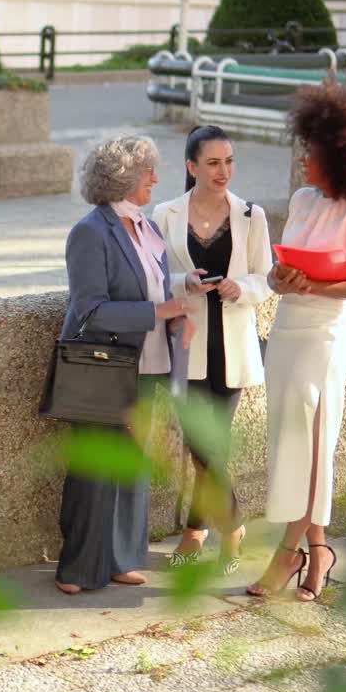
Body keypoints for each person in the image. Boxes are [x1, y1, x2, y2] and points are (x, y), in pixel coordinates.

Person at [247, 80, 346, 601]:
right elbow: (276, 271)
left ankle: (288, 554)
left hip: (325, 337)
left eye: (311, 154)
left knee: (316, 447)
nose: (302, 162)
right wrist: (280, 279)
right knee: (290, 443)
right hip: (289, 328)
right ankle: (320, 551)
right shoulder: (302, 201)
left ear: (340, 157)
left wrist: (312, 282)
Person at [55, 134, 196, 594]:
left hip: (150, 365)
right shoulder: (90, 232)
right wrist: (161, 312)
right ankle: (78, 568)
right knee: (95, 471)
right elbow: (91, 308)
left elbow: (150, 287)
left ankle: (119, 559)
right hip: (105, 367)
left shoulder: (148, 228)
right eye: (147, 171)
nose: (156, 178)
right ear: (123, 177)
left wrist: (182, 291)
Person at [152, 125, 273, 575]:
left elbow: (267, 277)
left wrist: (239, 286)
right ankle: (233, 526)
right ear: (191, 166)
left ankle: (195, 530)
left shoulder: (250, 216)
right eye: (213, 162)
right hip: (186, 345)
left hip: (234, 345)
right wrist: (183, 282)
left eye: (229, 161)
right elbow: (151, 277)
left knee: (209, 446)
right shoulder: (164, 214)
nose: (224, 171)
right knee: (200, 445)